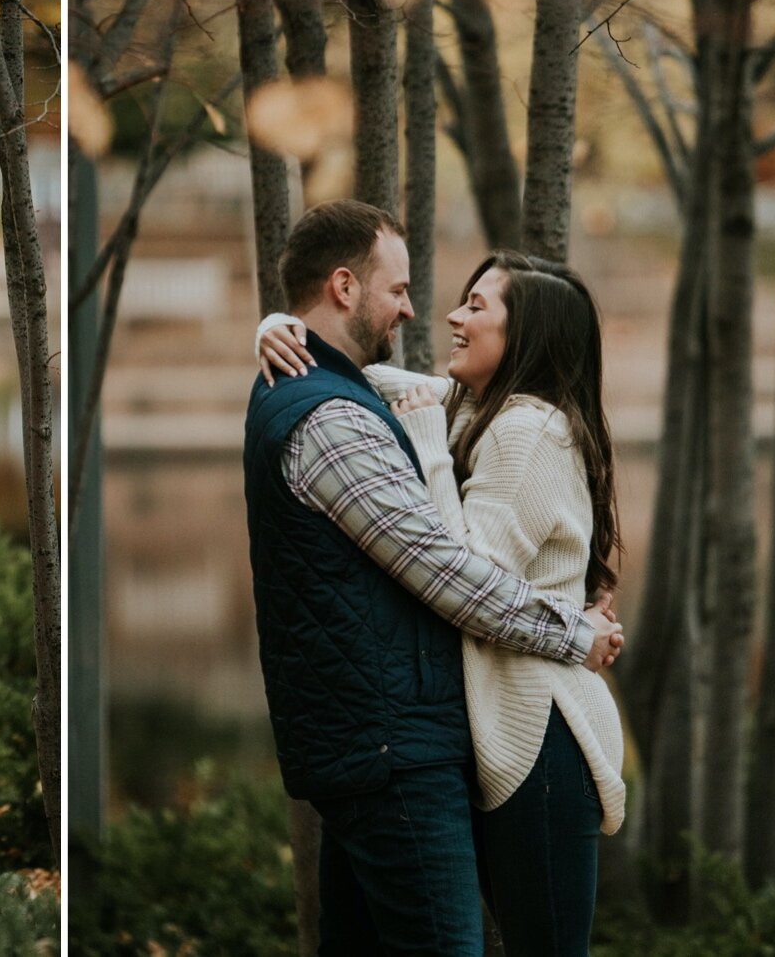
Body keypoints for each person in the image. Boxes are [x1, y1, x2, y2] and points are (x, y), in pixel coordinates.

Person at [242, 199, 623, 956]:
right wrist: (276, 327)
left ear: (524, 337)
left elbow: (462, 566)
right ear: (345, 288)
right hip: (403, 740)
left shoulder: (518, 426)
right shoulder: (388, 411)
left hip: (512, 729)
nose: (430, 311)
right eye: (403, 289)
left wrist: (572, 634)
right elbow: (448, 568)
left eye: (473, 304)